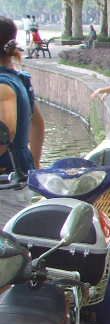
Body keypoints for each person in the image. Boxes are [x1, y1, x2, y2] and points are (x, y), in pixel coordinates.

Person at [0, 17, 45, 224]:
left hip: (6, 186)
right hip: (18, 176)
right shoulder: (18, 78)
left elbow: (3, 138)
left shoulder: (3, 87)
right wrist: (34, 162)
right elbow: (37, 123)